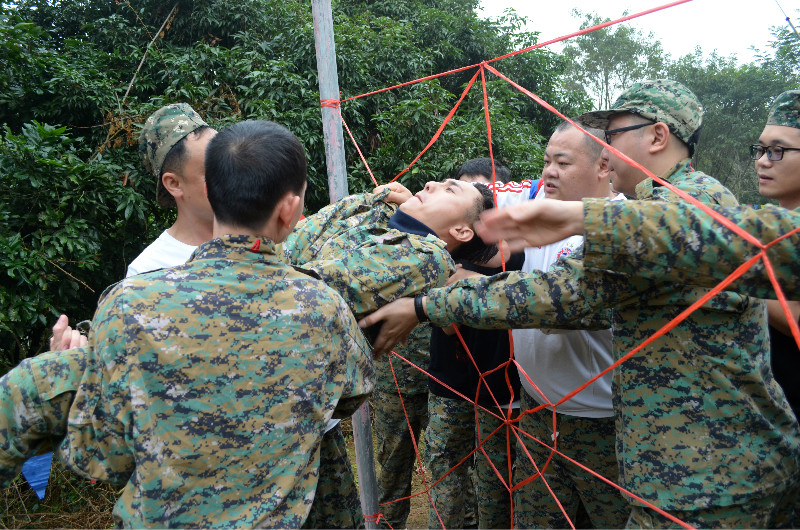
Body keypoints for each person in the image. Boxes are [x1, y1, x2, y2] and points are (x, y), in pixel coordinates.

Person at [360, 80, 800, 528]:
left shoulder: (689, 202)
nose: (604, 151)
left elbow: (565, 294)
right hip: (669, 459)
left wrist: (424, 307)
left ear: (657, 136)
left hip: (706, 472)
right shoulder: (649, 207)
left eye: (613, 135)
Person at [2, 120, 376, 528]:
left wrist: (81, 382)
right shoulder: (324, 305)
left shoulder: (127, 304)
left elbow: (102, 457)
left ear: (213, 192)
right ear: (291, 210)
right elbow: (350, 392)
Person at [278, 176, 498, 529]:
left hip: (294, 401)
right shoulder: (379, 221)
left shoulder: (427, 257)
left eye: (450, 189)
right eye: (439, 181)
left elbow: (306, 287)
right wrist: (374, 197)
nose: (432, 184)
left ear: (462, 230)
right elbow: (288, 247)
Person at [487, 122, 629, 529]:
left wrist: (451, 298)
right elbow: (475, 195)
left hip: (602, 424)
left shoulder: (621, 224)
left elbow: (550, 307)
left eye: (562, 162)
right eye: (547, 160)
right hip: (537, 412)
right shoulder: (543, 212)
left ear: (604, 165)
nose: (548, 171)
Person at [424, 158, 519, 530]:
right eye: (460, 190)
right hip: (449, 382)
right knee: (446, 469)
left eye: (484, 194)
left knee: (496, 478)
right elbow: (448, 324)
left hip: (500, 389)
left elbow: (506, 265)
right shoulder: (433, 251)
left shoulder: (519, 251)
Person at [755, 90, 800, 418]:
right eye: (761, 149)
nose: (762, 160)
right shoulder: (771, 225)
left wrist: (734, 277)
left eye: (778, 151)